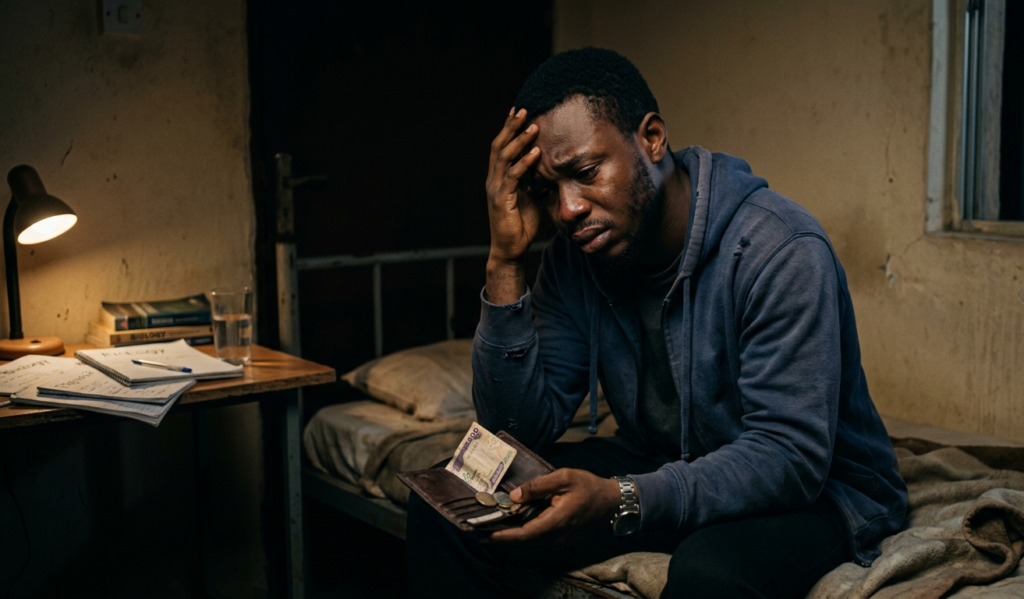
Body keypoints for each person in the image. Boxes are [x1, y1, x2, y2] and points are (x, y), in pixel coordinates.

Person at [406, 47, 907, 599]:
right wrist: (505, 262)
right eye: (548, 191)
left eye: (586, 173)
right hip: (659, 458)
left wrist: (626, 498)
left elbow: (790, 456)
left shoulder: (779, 248)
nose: (567, 210)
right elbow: (516, 433)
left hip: (819, 489)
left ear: (651, 139)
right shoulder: (577, 258)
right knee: (453, 497)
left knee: (710, 573)